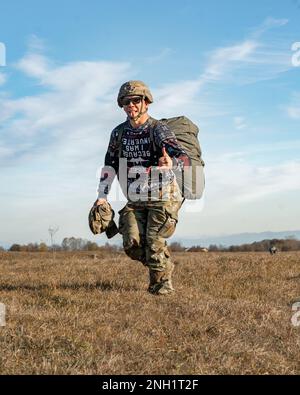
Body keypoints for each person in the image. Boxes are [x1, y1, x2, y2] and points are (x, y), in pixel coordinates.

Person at [94, 81, 191, 295]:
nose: (131, 105)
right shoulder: (118, 133)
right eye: (126, 102)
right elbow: (109, 165)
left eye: (136, 100)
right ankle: (161, 264)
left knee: (154, 243)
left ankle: (161, 289)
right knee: (132, 244)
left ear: (146, 102)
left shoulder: (158, 129)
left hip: (163, 195)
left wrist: (171, 163)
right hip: (136, 196)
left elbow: (185, 158)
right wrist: (102, 197)